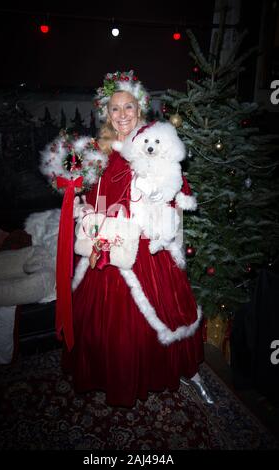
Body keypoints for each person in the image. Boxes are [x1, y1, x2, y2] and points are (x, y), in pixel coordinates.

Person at [62, 70, 214, 407]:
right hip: (109, 246)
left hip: (146, 247)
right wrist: (90, 218)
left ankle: (175, 373)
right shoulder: (99, 152)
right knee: (106, 324)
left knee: (156, 314)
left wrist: (158, 197)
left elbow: (178, 187)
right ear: (106, 113)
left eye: (128, 107)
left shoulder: (155, 142)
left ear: (140, 109)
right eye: (114, 109)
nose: (121, 115)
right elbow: (93, 197)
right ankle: (113, 375)